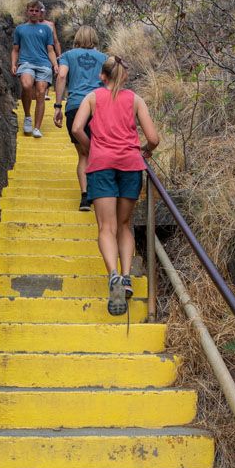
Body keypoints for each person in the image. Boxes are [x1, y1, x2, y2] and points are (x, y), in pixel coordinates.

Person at [72, 56, 160, 316]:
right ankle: (126, 275)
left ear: (102, 76)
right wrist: (145, 150)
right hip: (131, 165)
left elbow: (77, 128)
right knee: (123, 225)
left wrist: (94, 149)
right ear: (125, 76)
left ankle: (113, 275)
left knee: (106, 227)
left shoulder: (92, 97)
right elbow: (154, 138)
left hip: (101, 166)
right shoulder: (135, 100)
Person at [53, 26, 107, 211]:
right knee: (99, 150)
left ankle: (85, 197)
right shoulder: (104, 58)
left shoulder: (68, 56)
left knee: (83, 154)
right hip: (99, 107)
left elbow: (61, 76)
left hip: (75, 107)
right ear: (95, 38)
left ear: (77, 37)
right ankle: (101, 193)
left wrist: (58, 105)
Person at [11, 0, 58, 138]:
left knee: (41, 92)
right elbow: (15, 49)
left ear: (40, 12)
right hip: (26, 63)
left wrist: (55, 64)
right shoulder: (20, 29)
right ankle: (27, 116)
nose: (34, 13)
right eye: (31, 10)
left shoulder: (47, 29)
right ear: (27, 11)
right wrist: (13, 64)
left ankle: (37, 128)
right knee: (26, 86)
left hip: (43, 64)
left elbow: (50, 50)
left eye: (36, 11)